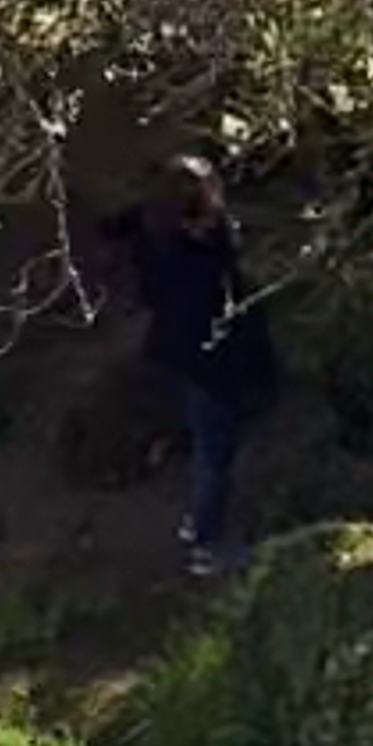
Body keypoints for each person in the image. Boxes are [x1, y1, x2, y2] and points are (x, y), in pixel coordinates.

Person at [112, 152, 279, 579]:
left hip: (192, 353)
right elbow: (217, 291)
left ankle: (201, 526)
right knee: (214, 452)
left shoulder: (155, 235)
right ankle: (207, 543)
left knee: (212, 443)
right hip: (210, 356)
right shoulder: (191, 248)